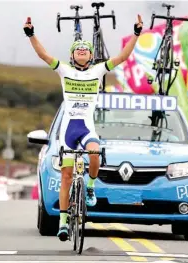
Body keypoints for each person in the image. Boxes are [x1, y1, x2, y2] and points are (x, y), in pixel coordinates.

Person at [23, 15, 143, 241]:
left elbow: (123, 57)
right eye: (77, 48)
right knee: (66, 176)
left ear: (90, 55)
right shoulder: (64, 70)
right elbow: (43, 54)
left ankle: (89, 186)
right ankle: (64, 222)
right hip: (68, 130)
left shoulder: (97, 71)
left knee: (95, 152)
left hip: (86, 127)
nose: (81, 50)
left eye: (85, 49)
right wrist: (31, 34)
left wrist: (136, 33)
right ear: (72, 55)